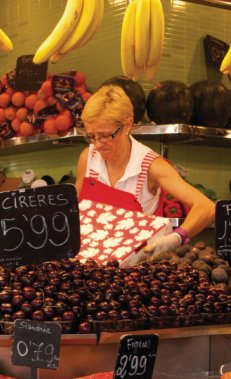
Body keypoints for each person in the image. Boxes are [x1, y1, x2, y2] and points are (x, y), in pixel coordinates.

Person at [76, 84, 215, 255]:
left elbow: (206, 207)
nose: (97, 144)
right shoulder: (87, 158)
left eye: (105, 136)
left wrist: (177, 237)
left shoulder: (151, 166)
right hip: (88, 262)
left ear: (127, 125)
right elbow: (74, 211)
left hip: (134, 268)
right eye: (91, 136)